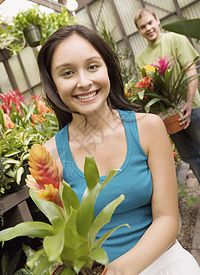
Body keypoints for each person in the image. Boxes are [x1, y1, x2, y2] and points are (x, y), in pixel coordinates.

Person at [37, 25, 200, 274]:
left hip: (166, 265)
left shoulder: (148, 128)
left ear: (108, 69)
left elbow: (167, 220)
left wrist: (117, 271)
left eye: (93, 66)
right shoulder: (49, 157)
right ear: (53, 84)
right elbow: (66, 241)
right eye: (67, 73)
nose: (84, 81)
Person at [134, 7, 200, 183]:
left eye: (150, 23)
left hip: (192, 108)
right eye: (142, 26)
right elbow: (148, 90)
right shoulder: (140, 59)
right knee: (190, 157)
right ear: (139, 31)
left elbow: (191, 71)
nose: (148, 28)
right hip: (169, 116)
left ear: (157, 21)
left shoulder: (175, 39)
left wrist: (187, 103)